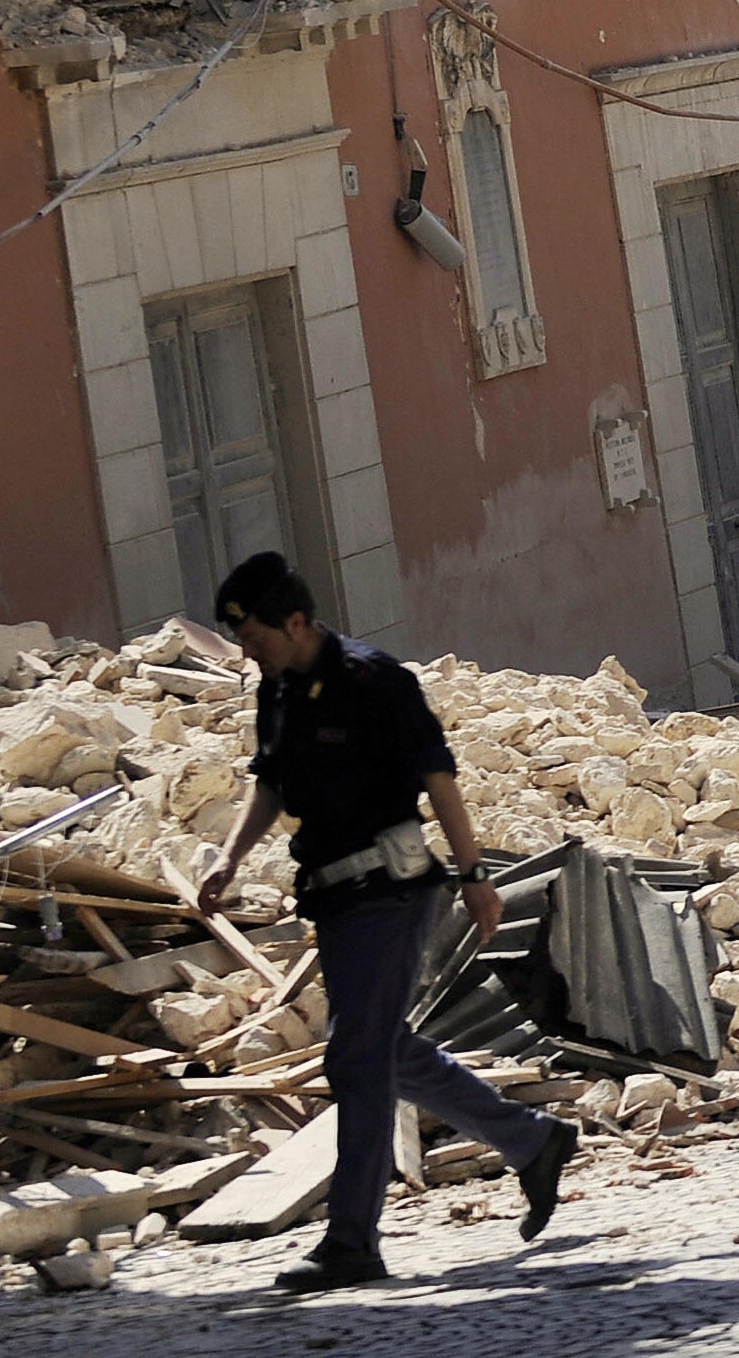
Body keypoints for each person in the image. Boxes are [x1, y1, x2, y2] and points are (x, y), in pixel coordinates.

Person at [195, 553, 581, 1292]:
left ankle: (352, 1241)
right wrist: (228, 857)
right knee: (381, 1049)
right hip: (334, 896)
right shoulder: (277, 691)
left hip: (393, 888)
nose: (247, 653)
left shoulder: (378, 683)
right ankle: (533, 1143)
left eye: (258, 637)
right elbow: (271, 782)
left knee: (356, 1057)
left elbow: (440, 778)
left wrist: (474, 878)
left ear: (297, 621)